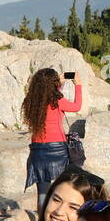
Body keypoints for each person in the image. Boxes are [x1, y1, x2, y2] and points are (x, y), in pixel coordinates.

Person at [22, 68, 84, 207]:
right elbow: (76, 106)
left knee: (43, 191)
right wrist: (78, 85)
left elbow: (47, 95)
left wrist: (58, 85)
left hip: (37, 148)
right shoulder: (57, 100)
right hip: (56, 147)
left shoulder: (31, 100)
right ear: (54, 83)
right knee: (64, 186)